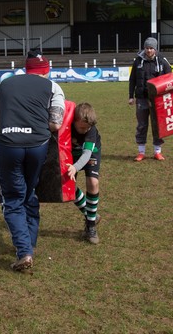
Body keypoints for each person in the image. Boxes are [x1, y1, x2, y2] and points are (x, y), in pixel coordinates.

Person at [0, 51, 65, 273]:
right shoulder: (53, 88)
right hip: (38, 146)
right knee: (30, 193)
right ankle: (30, 243)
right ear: (46, 70)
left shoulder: (5, 84)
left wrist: (12, 117)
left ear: (26, 69)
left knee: (12, 198)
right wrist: (33, 120)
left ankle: (24, 251)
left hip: (9, 145)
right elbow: (56, 124)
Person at [129, 37, 172, 162]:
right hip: (141, 99)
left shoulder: (162, 61)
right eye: (147, 48)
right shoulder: (138, 61)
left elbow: (170, 77)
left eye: (151, 48)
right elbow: (132, 80)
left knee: (157, 125)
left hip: (157, 99)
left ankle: (157, 152)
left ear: (155, 48)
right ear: (144, 48)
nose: (148, 50)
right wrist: (131, 96)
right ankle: (141, 152)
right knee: (142, 125)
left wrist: (167, 95)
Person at [67, 102, 101, 244]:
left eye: (87, 128)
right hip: (71, 153)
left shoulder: (91, 131)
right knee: (68, 185)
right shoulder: (66, 124)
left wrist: (75, 168)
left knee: (93, 182)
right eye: (82, 127)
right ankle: (91, 214)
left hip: (90, 153)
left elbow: (86, 154)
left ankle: (91, 226)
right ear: (74, 120)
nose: (85, 130)